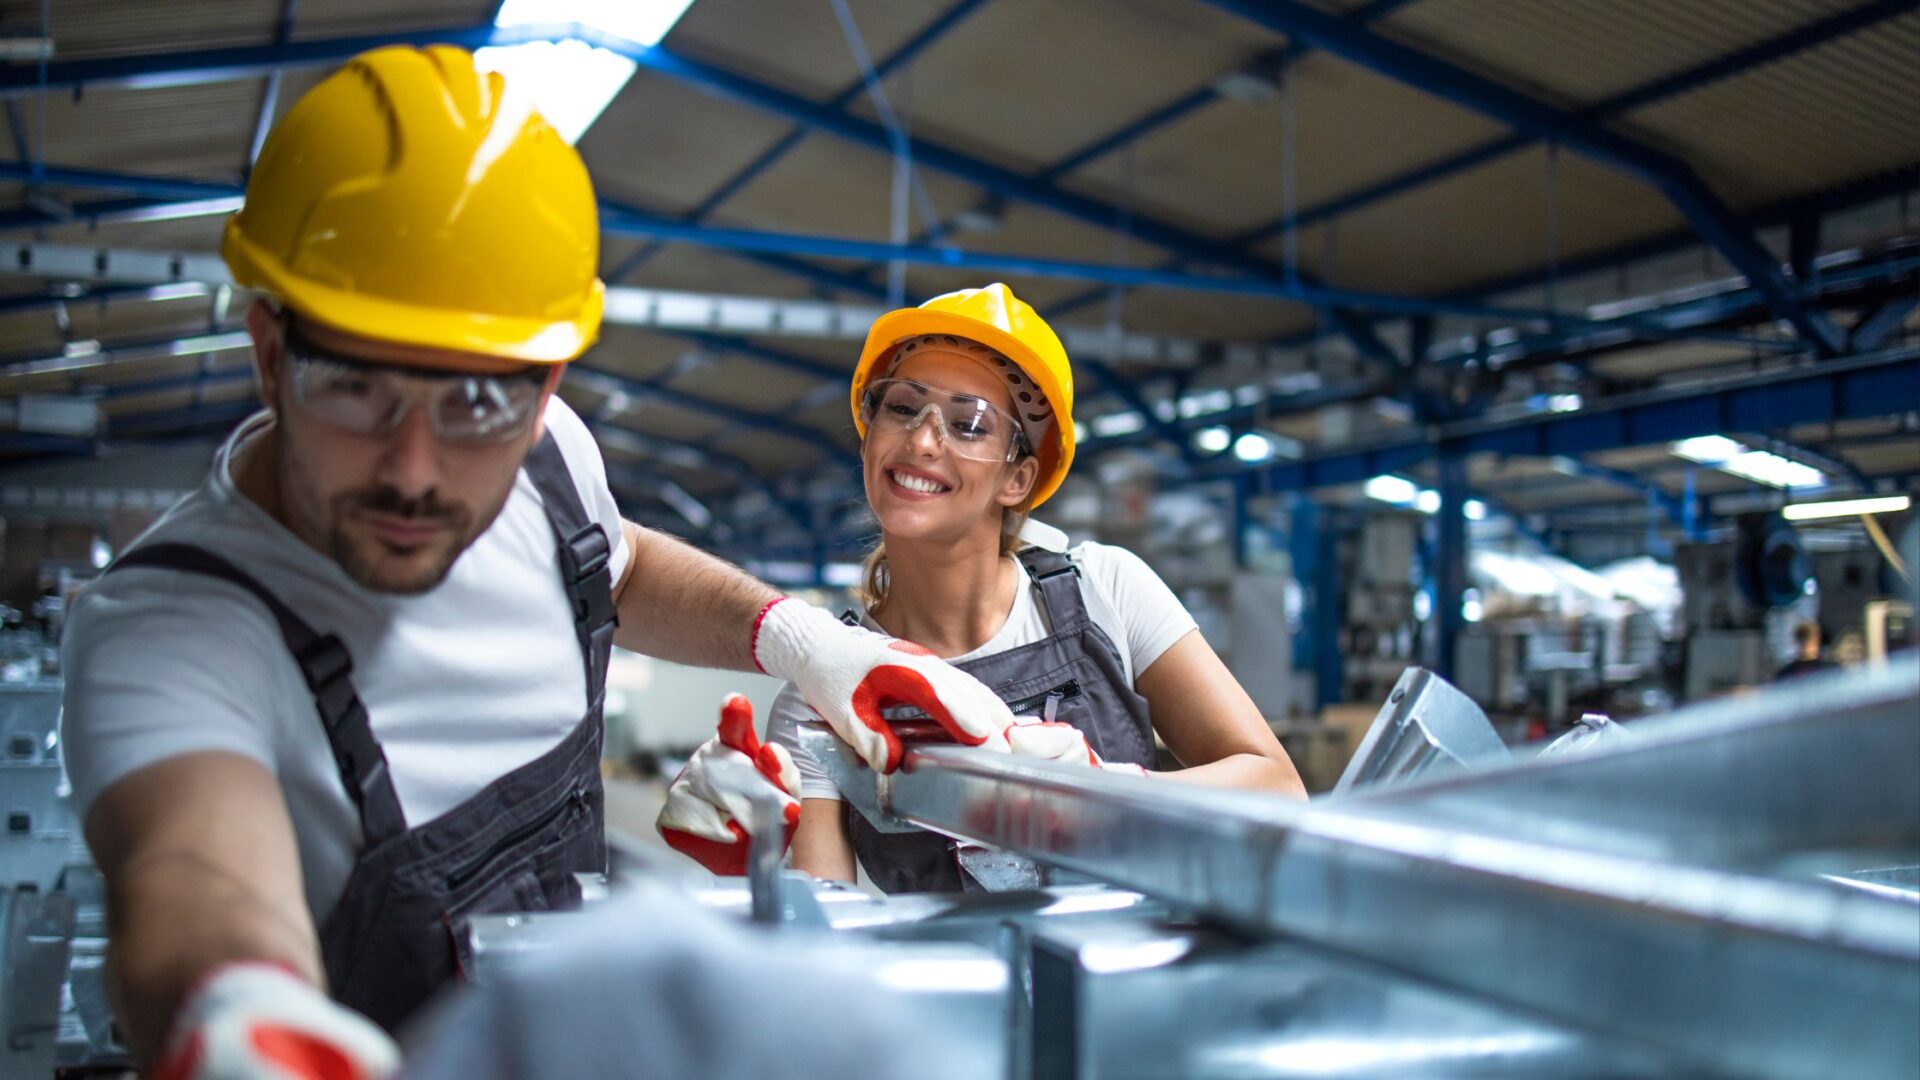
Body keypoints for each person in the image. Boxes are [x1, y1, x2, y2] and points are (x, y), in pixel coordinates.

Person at [59, 47, 1016, 1079]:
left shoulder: (548, 456)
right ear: (267, 355)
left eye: (477, 403)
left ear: (544, 386)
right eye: (355, 388)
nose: (415, 470)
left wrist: (803, 644)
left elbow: (619, 569)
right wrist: (239, 1014)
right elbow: (194, 873)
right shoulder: (171, 627)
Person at [659, 284, 1305, 894]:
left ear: (1016, 479)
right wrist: (765, 868)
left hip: (1128, 969)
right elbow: (824, 935)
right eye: (902, 407)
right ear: (868, 438)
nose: (921, 440)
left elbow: (1278, 789)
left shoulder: (1107, 593)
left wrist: (1107, 794)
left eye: (969, 423)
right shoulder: (827, 687)